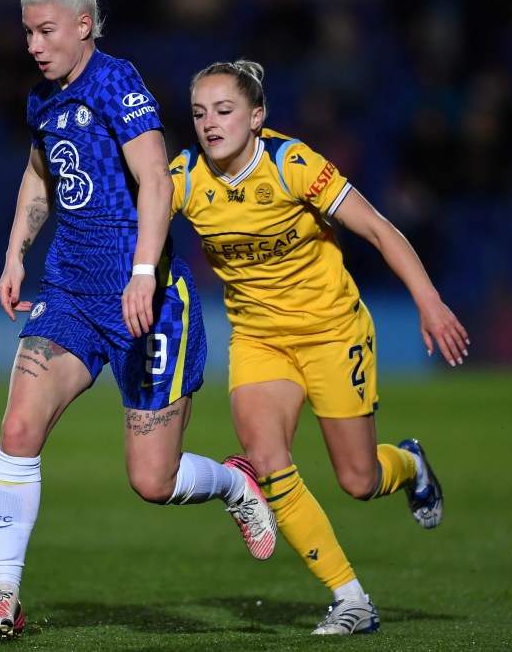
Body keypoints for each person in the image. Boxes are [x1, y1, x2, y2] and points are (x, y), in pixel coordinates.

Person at [0, 0, 277, 640]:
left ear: (83, 26)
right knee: (18, 428)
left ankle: (233, 482)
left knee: (152, 480)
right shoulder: (41, 98)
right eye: (27, 34)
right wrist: (14, 253)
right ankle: (2, 593)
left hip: (148, 300)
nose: (33, 46)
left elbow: (156, 180)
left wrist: (143, 271)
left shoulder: (119, 84)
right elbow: (39, 176)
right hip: (70, 294)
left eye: (45, 32)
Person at [171, 59, 470, 635]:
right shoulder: (184, 177)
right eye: (200, 113)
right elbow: (135, 223)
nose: (210, 124)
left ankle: (409, 464)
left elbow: (381, 228)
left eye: (225, 111)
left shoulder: (292, 164)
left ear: (257, 117)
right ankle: (351, 599)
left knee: (359, 480)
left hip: (333, 332)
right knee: (265, 457)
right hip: (260, 339)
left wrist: (429, 303)